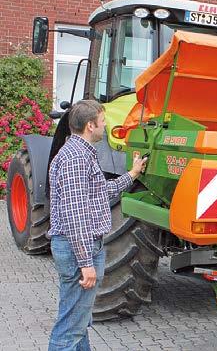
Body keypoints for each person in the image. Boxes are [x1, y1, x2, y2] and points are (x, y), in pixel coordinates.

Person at [47, 100, 146, 350]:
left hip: (81, 247)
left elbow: (101, 191)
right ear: (90, 125)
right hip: (80, 249)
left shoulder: (80, 154)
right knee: (69, 329)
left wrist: (132, 175)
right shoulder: (76, 159)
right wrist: (85, 263)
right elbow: (75, 214)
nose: (104, 127)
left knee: (78, 322)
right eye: (103, 122)